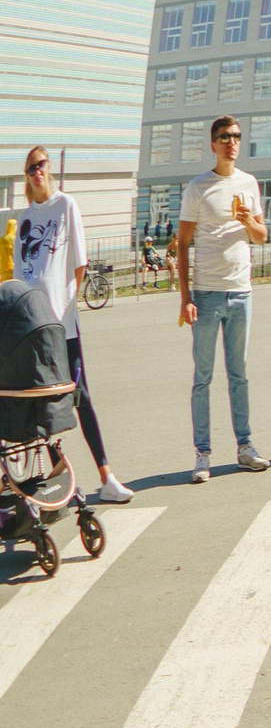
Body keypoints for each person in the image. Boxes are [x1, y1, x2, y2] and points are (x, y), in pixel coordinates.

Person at [15, 147, 132, 502]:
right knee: (38, 403)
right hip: (32, 328)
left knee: (80, 396)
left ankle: (107, 477)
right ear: (26, 175)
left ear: (49, 168)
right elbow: (21, 274)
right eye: (31, 168)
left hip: (62, 325)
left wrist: (67, 305)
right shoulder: (25, 218)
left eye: (41, 165)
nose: (38, 171)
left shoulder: (66, 205)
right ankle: (52, 479)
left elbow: (78, 265)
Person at [174, 114, 269, 483]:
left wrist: (248, 221)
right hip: (207, 294)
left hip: (241, 292)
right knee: (203, 377)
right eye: (225, 137)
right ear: (212, 144)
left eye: (236, 136)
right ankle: (202, 453)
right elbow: (183, 243)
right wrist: (186, 297)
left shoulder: (249, 183)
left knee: (239, 374)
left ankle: (245, 446)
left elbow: (261, 236)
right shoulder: (198, 187)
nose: (232, 142)